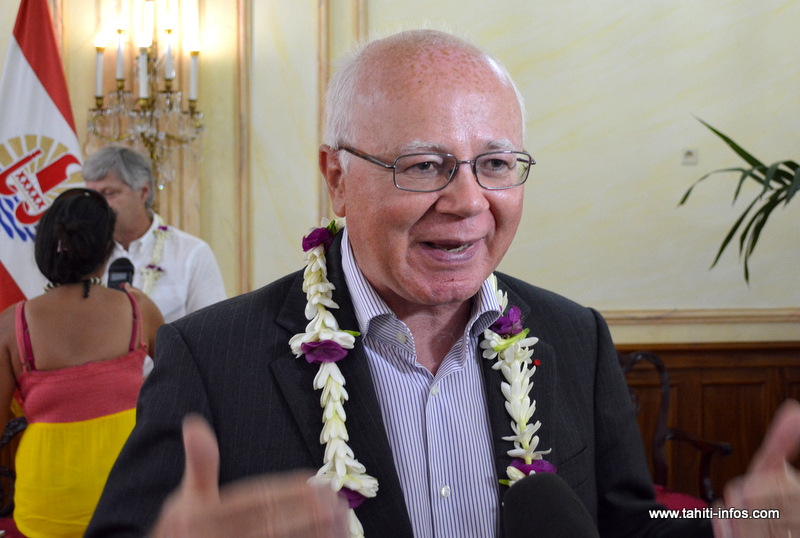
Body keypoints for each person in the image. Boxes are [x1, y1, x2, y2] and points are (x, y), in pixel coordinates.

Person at [85, 30, 800, 538]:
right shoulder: (211, 356)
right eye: (423, 165)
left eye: (495, 164)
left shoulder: (573, 337)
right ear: (337, 177)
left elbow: (630, 523)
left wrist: (738, 523)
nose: (467, 202)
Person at [0, 188, 164, 537]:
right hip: (130, 491)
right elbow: (180, 390)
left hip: (45, 503)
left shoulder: (13, 324)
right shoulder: (137, 309)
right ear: (107, 249)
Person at [82, 146, 227, 323]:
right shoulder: (82, 252)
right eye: (92, 195)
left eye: (109, 193)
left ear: (143, 192)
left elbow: (213, 329)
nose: (99, 205)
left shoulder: (191, 253)